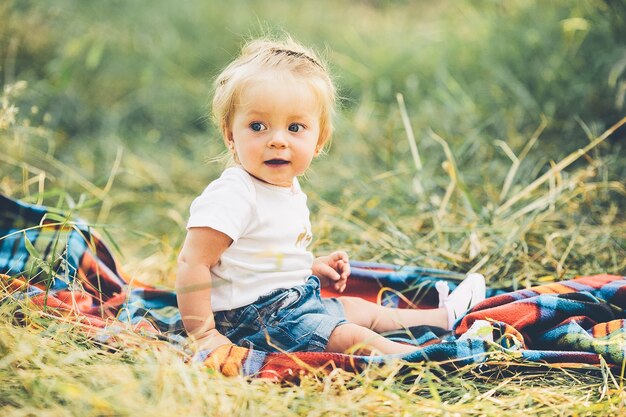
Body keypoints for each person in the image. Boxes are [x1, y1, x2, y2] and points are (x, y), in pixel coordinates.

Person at [176, 36, 486, 356]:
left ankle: (443, 317)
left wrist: (310, 265)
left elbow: (260, 257)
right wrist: (204, 334)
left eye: (295, 128)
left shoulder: (288, 189)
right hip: (250, 320)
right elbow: (193, 261)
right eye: (258, 126)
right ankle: (417, 359)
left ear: (319, 140)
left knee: (359, 309)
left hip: (292, 302)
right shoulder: (234, 194)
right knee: (349, 336)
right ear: (230, 135)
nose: (278, 140)